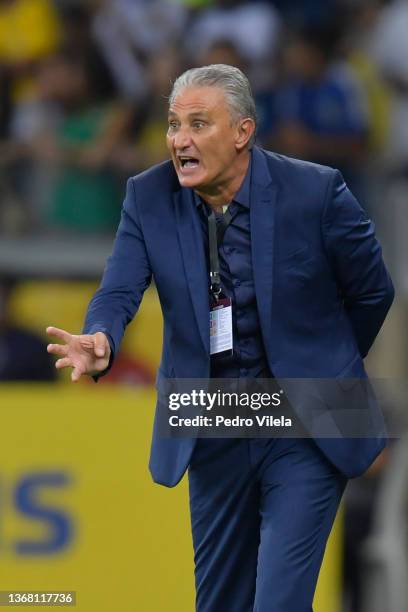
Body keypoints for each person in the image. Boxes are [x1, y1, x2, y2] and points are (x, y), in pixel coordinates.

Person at [46, 64, 394, 611]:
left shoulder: (316, 191)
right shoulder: (147, 197)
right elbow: (117, 290)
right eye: (173, 124)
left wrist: (328, 363)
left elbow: (373, 292)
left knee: (278, 602)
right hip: (213, 420)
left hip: (304, 422)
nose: (180, 140)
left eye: (198, 124)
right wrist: (101, 337)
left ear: (242, 132)